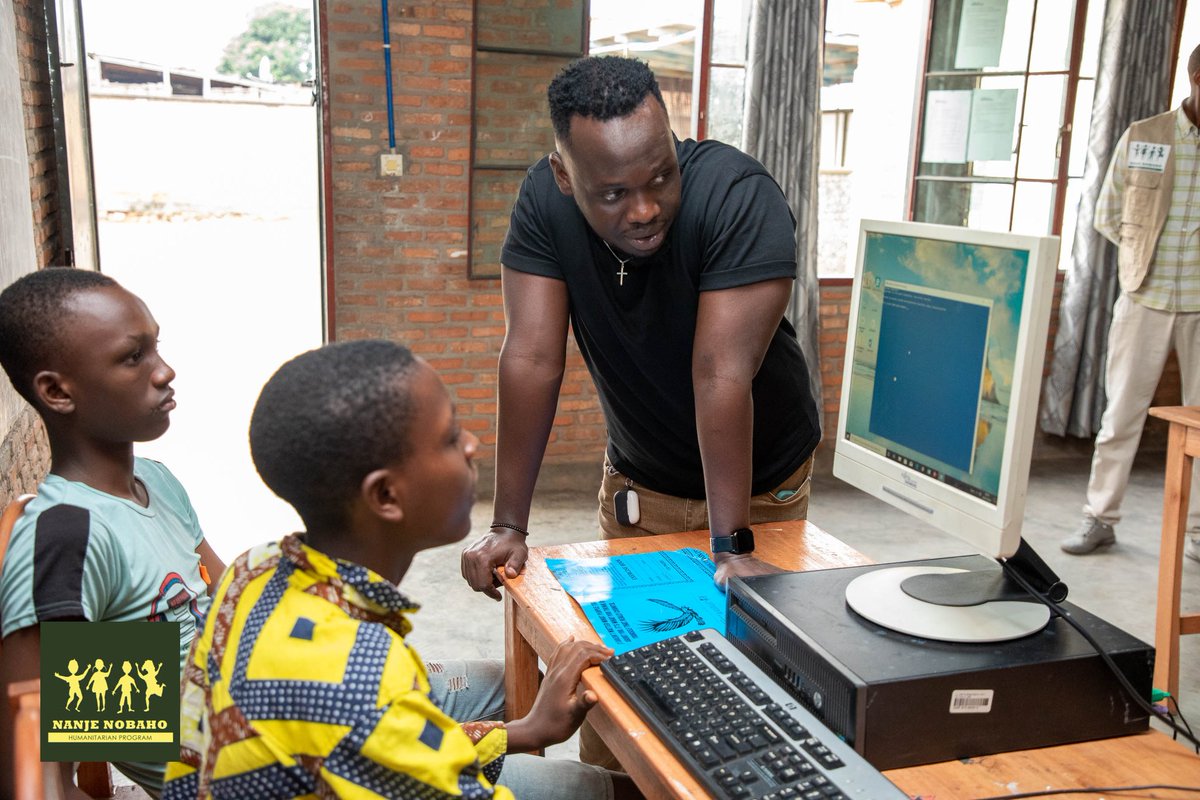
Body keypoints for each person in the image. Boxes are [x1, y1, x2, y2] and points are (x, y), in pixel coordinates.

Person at [164, 340, 638, 800]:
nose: (472, 445)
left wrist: (524, 731)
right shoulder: (363, 678)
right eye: (451, 438)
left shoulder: (255, 566)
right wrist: (523, 732)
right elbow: (382, 730)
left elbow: (390, 740)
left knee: (517, 681)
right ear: (386, 496)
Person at [461, 55, 821, 600]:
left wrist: (732, 545)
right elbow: (532, 358)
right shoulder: (543, 201)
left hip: (760, 488)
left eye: (661, 176)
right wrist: (507, 525)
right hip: (638, 482)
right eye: (613, 194)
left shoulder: (738, 196)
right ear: (564, 176)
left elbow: (720, 373)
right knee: (634, 658)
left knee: (756, 657)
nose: (646, 209)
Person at [0, 267, 225, 800]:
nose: (165, 371)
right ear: (57, 392)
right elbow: (38, 777)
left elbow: (229, 605)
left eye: (156, 348)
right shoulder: (67, 540)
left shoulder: (157, 482)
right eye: (133, 357)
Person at [1061, 44, 1200, 558]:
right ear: (1197, 78)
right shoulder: (1146, 136)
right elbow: (1109, 212)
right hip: (1145, 296)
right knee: (1121, 415)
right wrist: (1144, 250)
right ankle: (1100, 517)